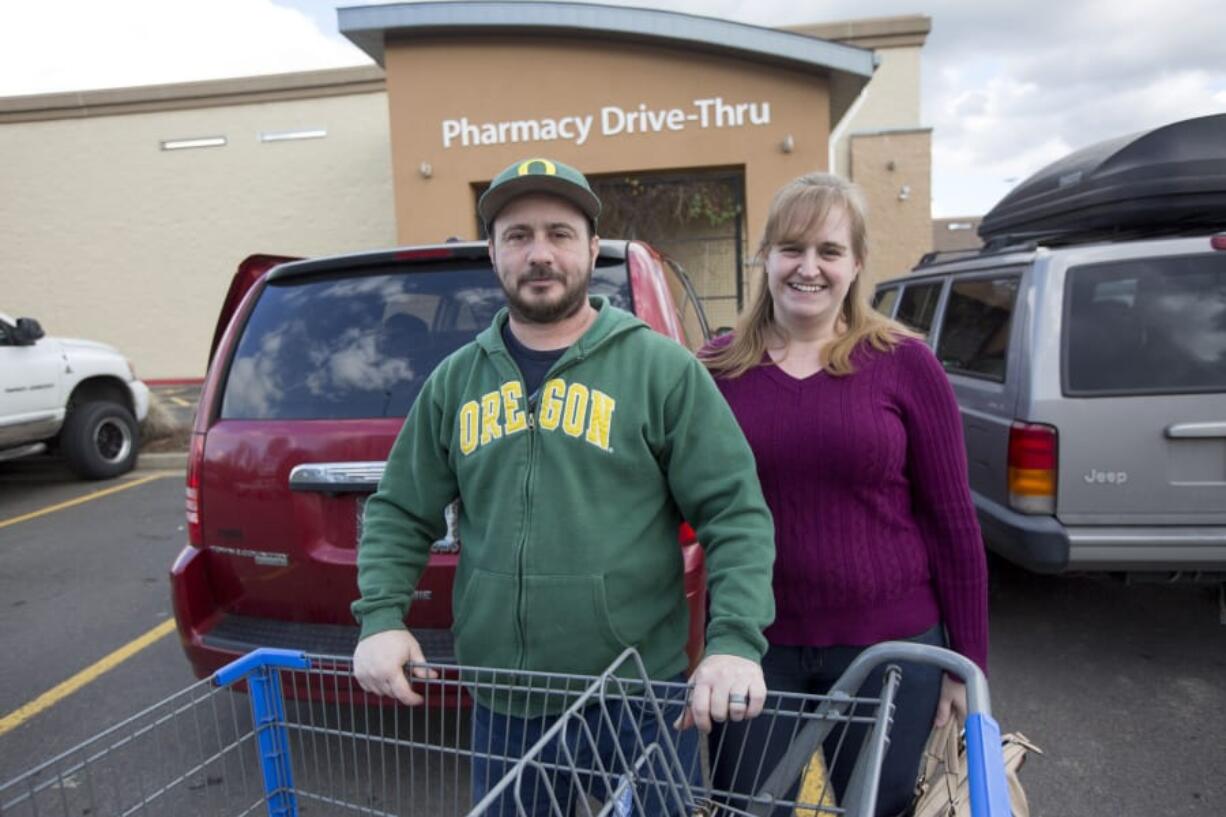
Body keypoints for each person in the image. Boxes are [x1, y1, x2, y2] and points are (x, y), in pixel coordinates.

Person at [351, 157, 776, 815]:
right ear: (493, 253)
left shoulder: (661, 370)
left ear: (591, 249)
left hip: (638, 698)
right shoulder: (455, 381)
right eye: (518, 236)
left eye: (559, 233)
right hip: (506, 701)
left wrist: (733, 642)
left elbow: (735, 513)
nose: (539, 253)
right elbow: (401, 509)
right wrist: (380, 616)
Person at [700, 172, 989, 817]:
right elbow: (679, 508)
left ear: (856, 264)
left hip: (889, 650)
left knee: (877, 808)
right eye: (792, 249)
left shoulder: (906, 363)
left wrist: (965, 661)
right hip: (755, 646)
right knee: (745, 807)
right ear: (765, 258)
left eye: (829, 252)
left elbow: (951, 521)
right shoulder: (717, 370)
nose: (809, 268)